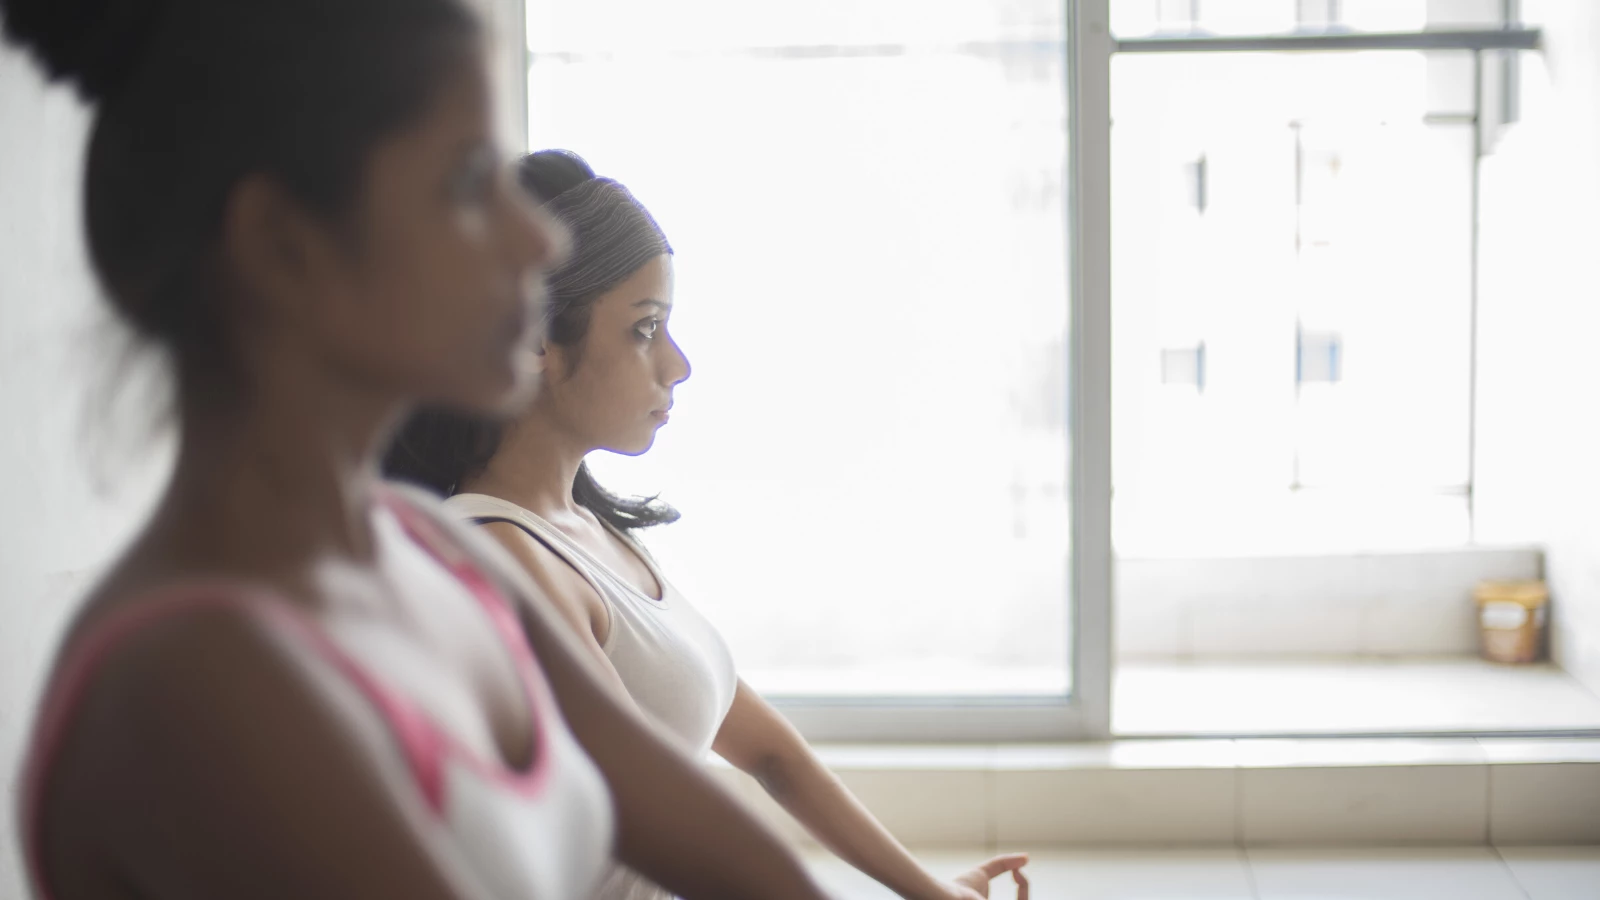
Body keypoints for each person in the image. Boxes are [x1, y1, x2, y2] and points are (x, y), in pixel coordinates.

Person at [2, 2, 836, 898]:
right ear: (282, 245)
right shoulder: (195, 672)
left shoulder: (440, 549)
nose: (538, 240)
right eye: (468, 184)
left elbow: (720, 848)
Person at [385, 150, 1032, 900]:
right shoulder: (500, 551)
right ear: (537, 346)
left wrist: (930, 893)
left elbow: (771, 756)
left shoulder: (588, 533)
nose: (677, 363)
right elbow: (659, 809)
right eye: (643, 330)